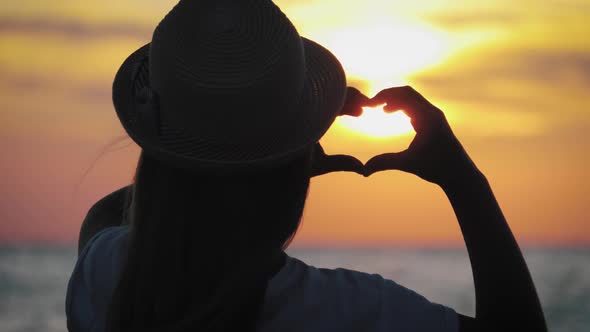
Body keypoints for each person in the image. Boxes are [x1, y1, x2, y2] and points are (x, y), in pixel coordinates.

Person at [66, 1, 548, 331]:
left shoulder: (106, 276)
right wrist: (464, 180)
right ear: (293, 160)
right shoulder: (349, 312)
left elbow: (106, 219)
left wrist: (260, 159)